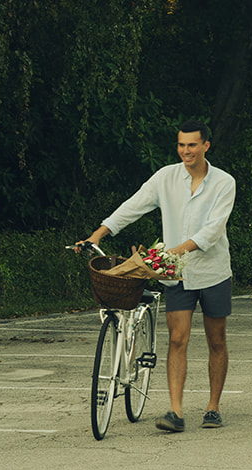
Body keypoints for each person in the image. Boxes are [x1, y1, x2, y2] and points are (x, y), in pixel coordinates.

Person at [78, 120, 236, 433]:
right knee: (177, 338)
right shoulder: (166, 177)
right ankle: (175, 412)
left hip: (213, 271)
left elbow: (213, 230)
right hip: (174, 275)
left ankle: (213, 407)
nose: (185, 151)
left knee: (216, 339)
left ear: (206, 145)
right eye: (181, 145)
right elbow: (133, 206)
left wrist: (176, 250)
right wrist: (98, 234)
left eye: (192, 145)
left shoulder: (224, 182)